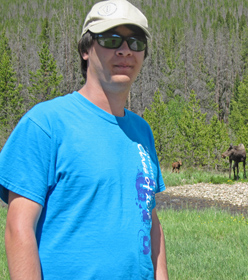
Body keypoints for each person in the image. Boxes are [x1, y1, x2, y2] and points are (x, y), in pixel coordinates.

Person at [0, 0, 168, 279]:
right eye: (112, 39)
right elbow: (19, 228)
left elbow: (149, 220)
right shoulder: (46, 124)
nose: (125, 50)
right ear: (85, 49)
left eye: (135, 42)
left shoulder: (142, 132)